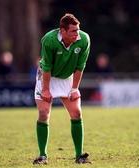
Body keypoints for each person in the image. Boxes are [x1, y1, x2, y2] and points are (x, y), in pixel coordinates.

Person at [33, 13, 91, 164]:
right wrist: (46, 89)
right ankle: (42, 156)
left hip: (66, 78)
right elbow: (46, 66)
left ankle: (79, 156)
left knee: (77, 113)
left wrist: (74, 88)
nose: (77, 34)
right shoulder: (49, 40)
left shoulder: (84, 40)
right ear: (62, 31)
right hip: (47, 77)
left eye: (78, 30)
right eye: (73, 31)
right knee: (44, 113)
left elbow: (80, 66)